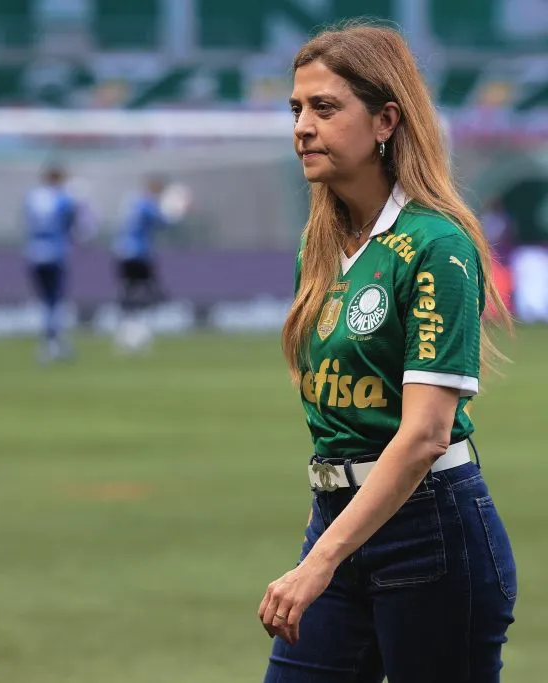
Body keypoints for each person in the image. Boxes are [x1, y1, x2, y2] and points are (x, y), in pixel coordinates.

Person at [260, 23, 517, 682]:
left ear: (385, 120)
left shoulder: (437, 245)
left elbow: (426, 433)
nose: (303, 127)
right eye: (296, 109)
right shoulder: (318, 246)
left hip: (431, 532)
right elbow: (339, 426)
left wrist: (319, 562)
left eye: (325, 108)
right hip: (339, 523)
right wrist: (327, 536)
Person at [23, 163, 87, 363]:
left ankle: (52, 342)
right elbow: (73, 224)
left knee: (45, 301)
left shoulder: (32, 197)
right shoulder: (63, 198)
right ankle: (52, 342)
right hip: (55, 253)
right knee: (55, 300)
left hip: (34, 252)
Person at [112, 175, 179, 353]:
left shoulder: (131, 201)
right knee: (149, 293)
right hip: (139, 254)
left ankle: (124, 334)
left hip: (122, 252)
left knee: (127, 292)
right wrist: (177, 210)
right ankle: (138, 333)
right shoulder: (147, 203)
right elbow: (164, 222)